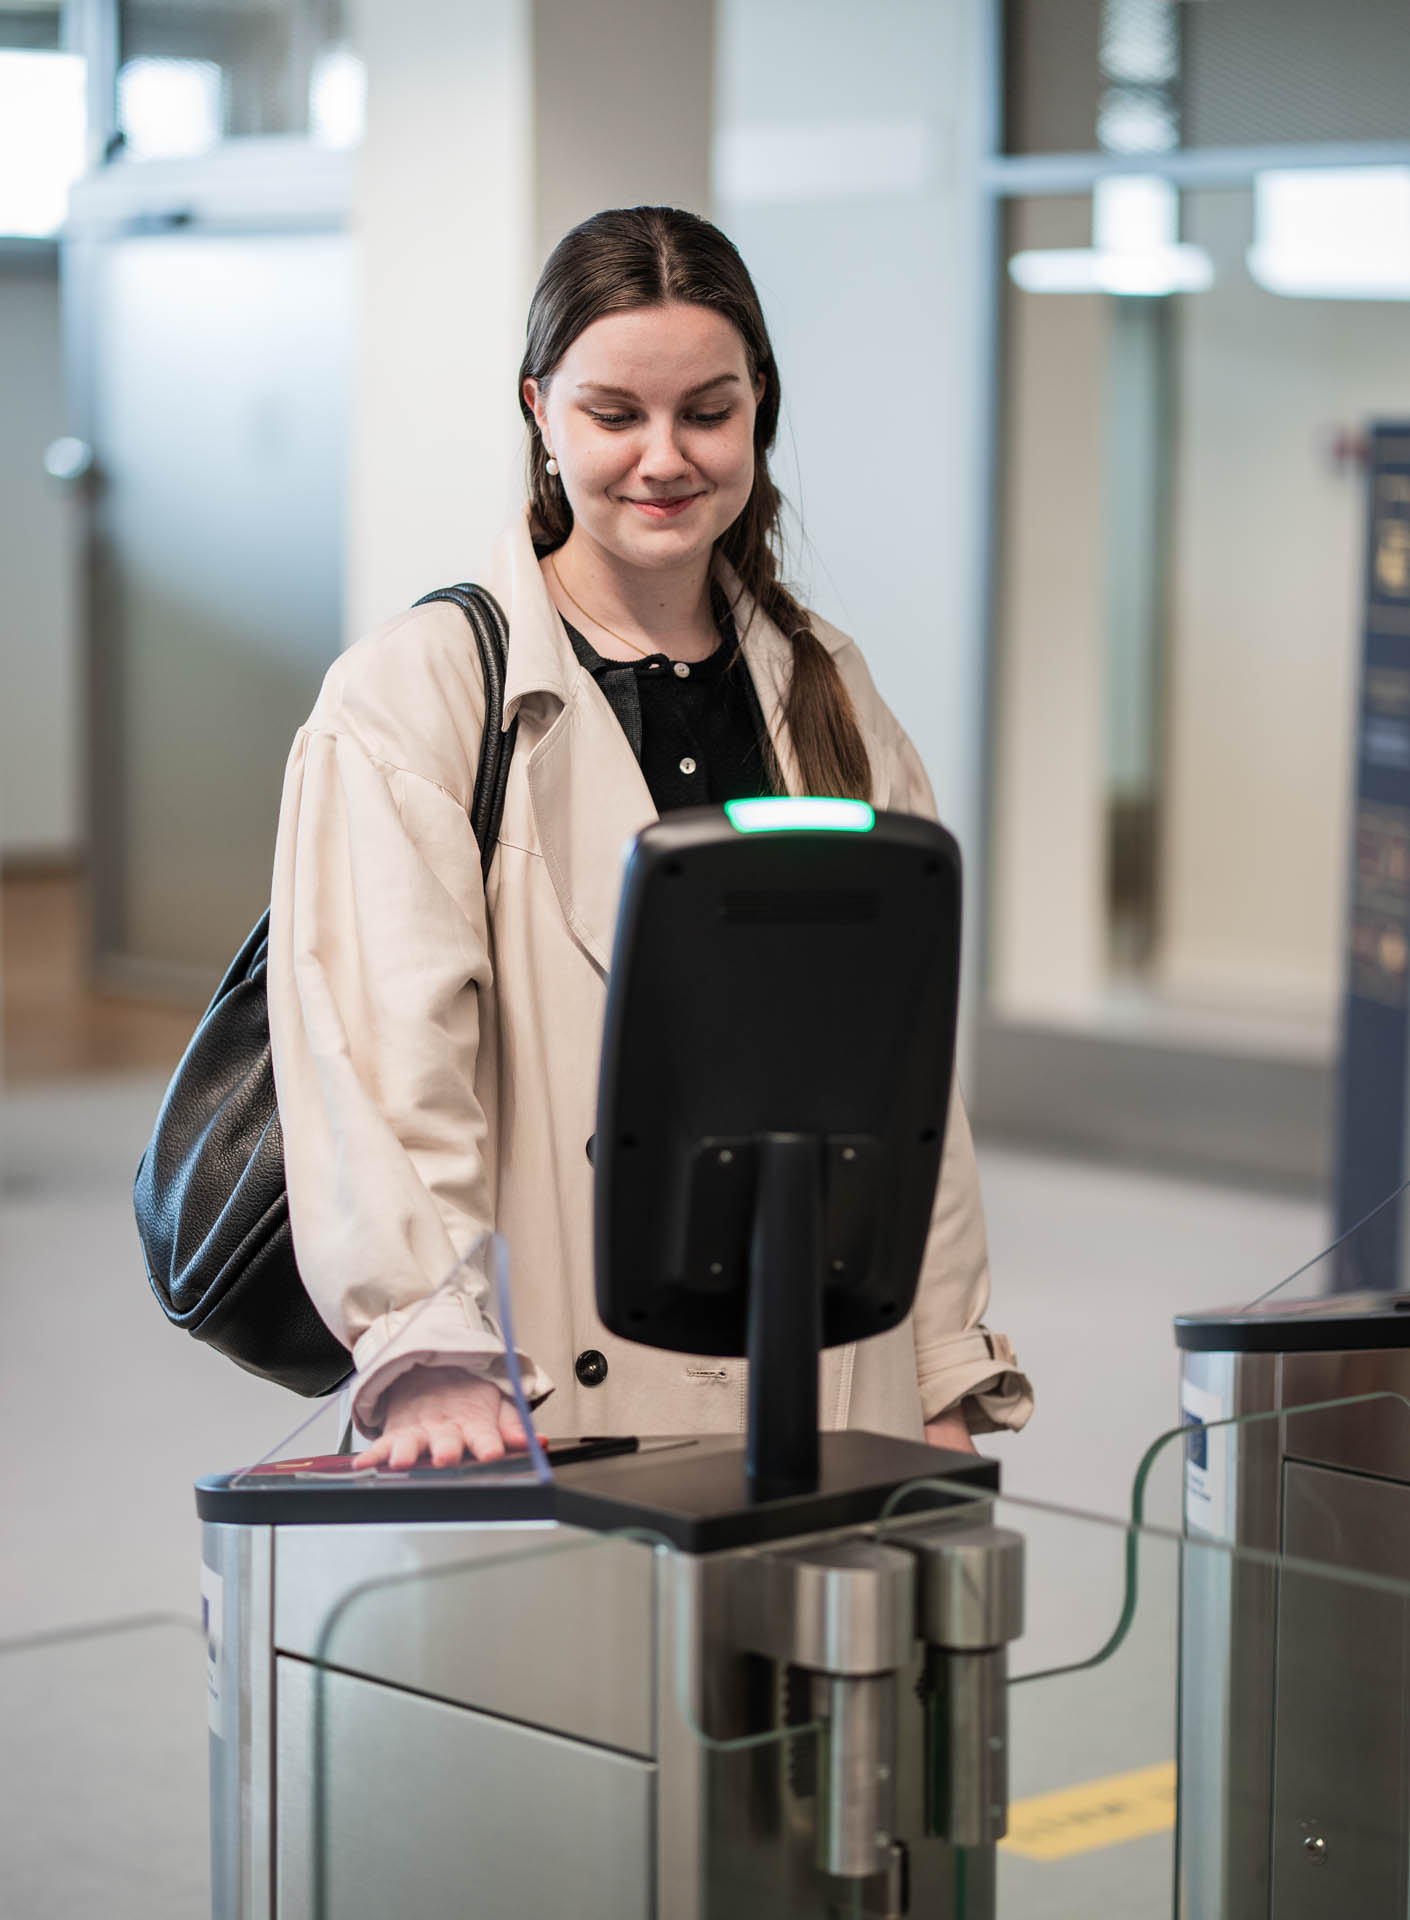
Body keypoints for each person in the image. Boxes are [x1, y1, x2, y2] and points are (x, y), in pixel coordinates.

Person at [266, 205, 1033, 1471]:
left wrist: (941, 1355)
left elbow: (904, 1079)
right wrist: (430, 1348)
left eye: (707, 411)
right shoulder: (422, 690)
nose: (664, 458)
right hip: (548, 1390)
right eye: (614, 413)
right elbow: (379, 1057)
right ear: (541, 412)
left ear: (758, 411)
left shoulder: (828, 690)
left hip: (827, 1374)